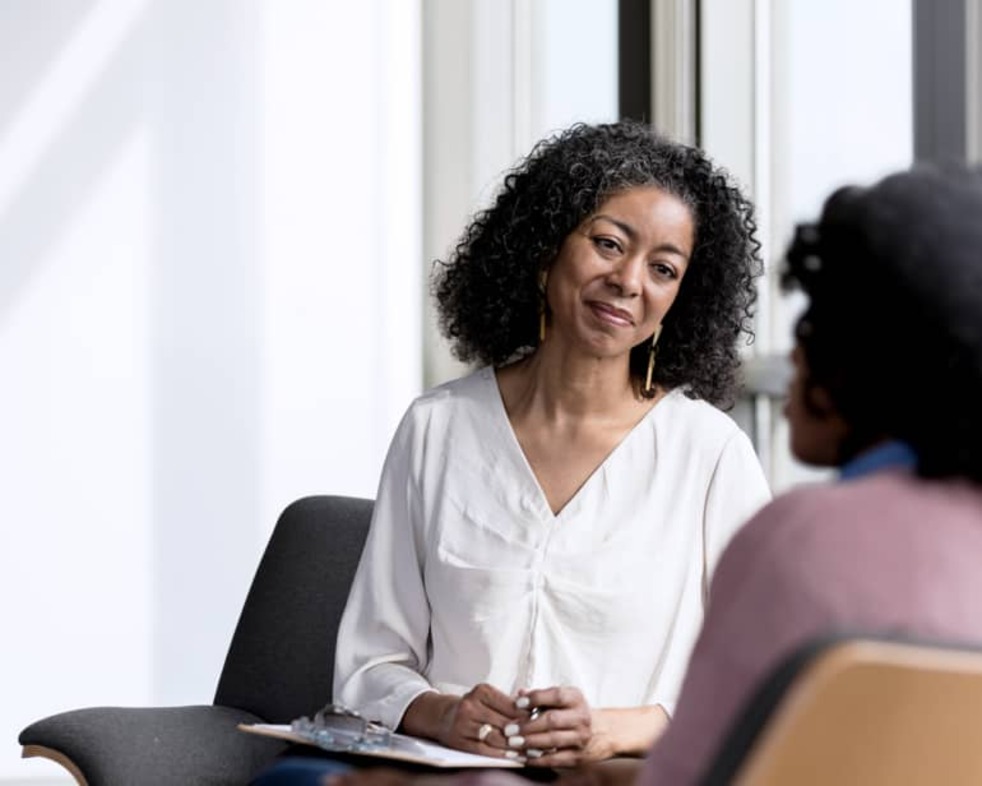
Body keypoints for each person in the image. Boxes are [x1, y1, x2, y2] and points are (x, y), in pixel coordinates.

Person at [248, 119, 770, 785]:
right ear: (545, 247)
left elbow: (760, 677)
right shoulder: (437, 428)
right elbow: (370, 665)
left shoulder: (710, 455)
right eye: (609, 243)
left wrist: (609, 729)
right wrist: (441, 714)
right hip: (448, 772)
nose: (629, 281)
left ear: (680, 300)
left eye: (663, 269)